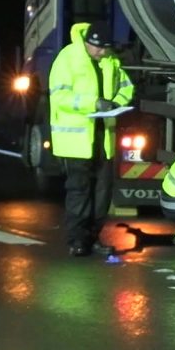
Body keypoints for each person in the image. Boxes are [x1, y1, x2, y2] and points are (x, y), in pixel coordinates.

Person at [49, 21, 134, 256]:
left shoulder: (110, 61)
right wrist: (93, 104)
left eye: (105, 48)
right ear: (87, 42)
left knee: (102, 193)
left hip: (102, 139)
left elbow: (126, 86)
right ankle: (76, 240)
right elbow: (60, 96)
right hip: (76, 141)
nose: (101, 52)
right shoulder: (68, 58)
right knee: (79, 191)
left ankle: (93, 237)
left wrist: (118, 102)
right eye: (97, 47)